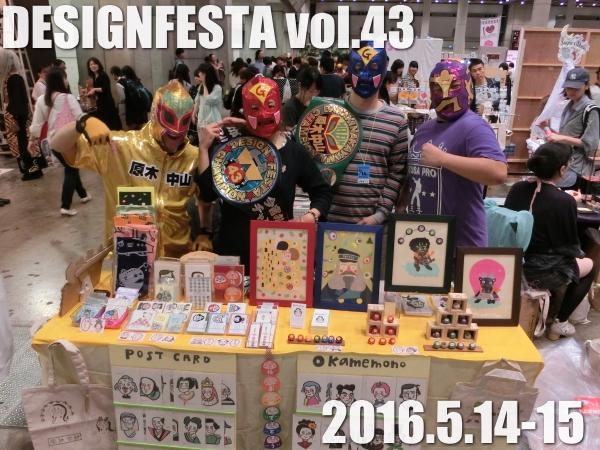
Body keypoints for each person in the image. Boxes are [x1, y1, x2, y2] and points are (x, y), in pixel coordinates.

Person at [49, 80, 213, 257]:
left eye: (183, 125)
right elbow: (57, 145)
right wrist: (81, 123)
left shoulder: (193, 157)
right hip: (130, 256)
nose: (176, 135)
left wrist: (205, 232)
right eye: (169, 123)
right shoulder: (120, 147)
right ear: (155, 115)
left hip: (177, 255)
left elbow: (205, 198)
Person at [195, 75, 332, 269]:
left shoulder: (294, 151)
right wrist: (203, 148)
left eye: (270, 105)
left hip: (278, 253)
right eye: (254, 107)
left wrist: (310, 217)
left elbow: (322, 192)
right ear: (244, 111)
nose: (263, 113)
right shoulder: (231, 148)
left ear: (280, 107)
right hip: (233, 255)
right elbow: (207, 193)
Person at [400, 60, 507, 249]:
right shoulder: (424, 129)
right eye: (437, 87)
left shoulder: (474, 127)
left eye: (454, 85)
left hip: (461, 244)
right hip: (424, 241)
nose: (446, 94)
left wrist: (443, 159)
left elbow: (498, 172)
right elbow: (415, 172)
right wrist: (401, 207)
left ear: (467, 86)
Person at [504, 142, 597, 340]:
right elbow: (568, 245)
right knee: (590, 266)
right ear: (562, 169)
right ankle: (560, 323)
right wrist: (570, 203)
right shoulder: (563, 201)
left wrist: (565, 199)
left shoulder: (518, 188)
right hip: (537, 273)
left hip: (510, 263)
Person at [329, 42, 407, 230]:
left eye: (373, 68)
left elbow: (397, 172)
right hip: (329, 223)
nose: (365, 75)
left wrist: (379, 215)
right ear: (349, 70)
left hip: (375, 227)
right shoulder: (329, 113)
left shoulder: (397, 120)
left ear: (384, 70)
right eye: (358, 67)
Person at [29, 66, 92, 216]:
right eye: (65, 78)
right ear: (60, 80)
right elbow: (80, 118)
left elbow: (37, 124)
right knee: (71, 169)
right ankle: (65, 205)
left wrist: (31, 141)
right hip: (69, 140)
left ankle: (83, 194)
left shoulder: (41, 100)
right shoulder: (68, 98)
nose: (66, 81)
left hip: (54, 141)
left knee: (72, 166)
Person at [537, 68, 600, 189]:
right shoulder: (569, 106)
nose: (571, 91)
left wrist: (561, 138)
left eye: (576, 88)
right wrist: (547, 129)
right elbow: (566, 135)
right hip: (563, 164)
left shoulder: (591, 110)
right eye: (569, 87)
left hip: (577, 169)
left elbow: (590, 144)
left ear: (586, 86)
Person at [0, 49, 43, 180]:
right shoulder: (11, 78)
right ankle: (30, 169)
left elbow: (18, 100)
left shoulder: (14, 78)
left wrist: (15, 117)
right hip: (17, 116)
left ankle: (32, 170)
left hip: (19, 118)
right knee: (21, 145)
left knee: (23, 144)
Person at [82, 57, 122, 131]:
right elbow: (98, 90)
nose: (93, 66)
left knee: (110, 122)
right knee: (103, 122)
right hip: (100, 102)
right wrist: (89, 94)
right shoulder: (94, 76)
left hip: (107, 103)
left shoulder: (103, 75)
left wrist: (94, 89)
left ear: (98, 64)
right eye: (91, 65)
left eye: (95, 64)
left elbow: (105, 88)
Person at [192, 63, 223, 129]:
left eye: (200, 72)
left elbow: (208, 100)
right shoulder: (201, 86)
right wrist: (193, 114)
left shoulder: (217, 88)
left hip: (213, 120)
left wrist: (204, 84)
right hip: (202, 119)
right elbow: (197, 101)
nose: (199, 74)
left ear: (204, 74)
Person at [120, 65, 149, 131]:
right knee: (142, 131)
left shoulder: (126, 83)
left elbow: (124, 97)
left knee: (133, 132)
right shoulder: (138, 82)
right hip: (141, 112)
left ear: (125, 74)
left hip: (132, 112)